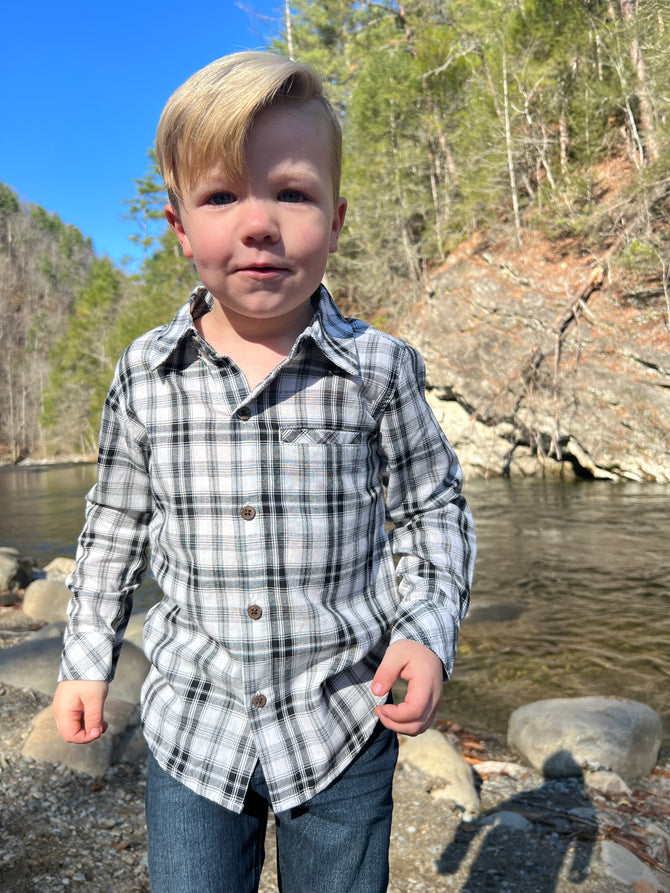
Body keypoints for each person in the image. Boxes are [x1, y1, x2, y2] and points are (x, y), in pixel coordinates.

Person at [52, 50, 476, 893]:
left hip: (341, 722)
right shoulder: (147, 373)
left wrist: (427, 634)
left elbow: (434, 511)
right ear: (180, 227)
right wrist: (84, 657)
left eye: (291, 192)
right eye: (221, 196)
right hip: (195, 728)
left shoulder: (378, 370)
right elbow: (113, 529)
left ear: (336, 215)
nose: (259, 223)